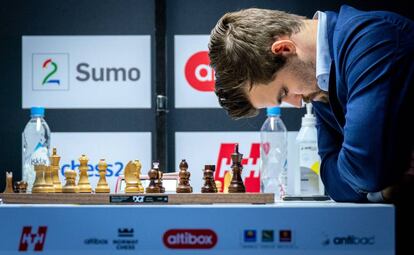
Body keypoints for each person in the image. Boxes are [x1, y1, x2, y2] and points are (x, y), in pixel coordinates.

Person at [208, 5, 413, 253]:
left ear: (284, 49)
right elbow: (331, 176)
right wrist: (379, 183)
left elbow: (366, 167)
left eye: (284, 92)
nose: (296, 103)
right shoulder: (319, 83)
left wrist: (372, 175)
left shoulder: (373, 39)